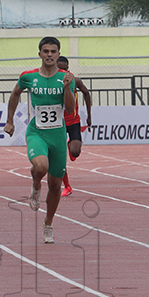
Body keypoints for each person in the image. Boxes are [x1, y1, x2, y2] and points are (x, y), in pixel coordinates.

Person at [4, 37, 76, 243]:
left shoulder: (66, 77)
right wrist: (10, 121)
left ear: (58, 53)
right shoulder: (28, 77)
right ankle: (36, 185)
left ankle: (48, 223)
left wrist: (67, 88)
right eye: (46, 51)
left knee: (55, 186)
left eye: (53, 51)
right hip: (37, 132)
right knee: (40, 165)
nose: (50, 55)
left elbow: (70, 109)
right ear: (40, 54)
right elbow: (15, 94)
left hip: (58, 135)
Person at [56, 56, 92, 197]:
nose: (62, 71)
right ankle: (67, 186)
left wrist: (89, 115)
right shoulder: (50, 82)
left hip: (73, 121)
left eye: (64, 68)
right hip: (57, 124)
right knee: (60, 159)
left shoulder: (74, 81)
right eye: (59, 68)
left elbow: (86, 93)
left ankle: (71, 143)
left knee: (75, 152)